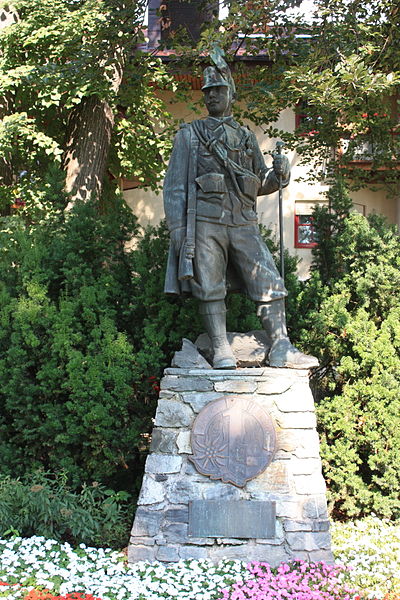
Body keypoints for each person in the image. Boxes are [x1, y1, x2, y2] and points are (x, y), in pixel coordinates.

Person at [164, 59, 318, 370]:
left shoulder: (247, 137)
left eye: (219, 90)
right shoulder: (190, 135)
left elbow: (259, 183)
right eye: (208, 92)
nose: (212, 96)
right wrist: (178, 230)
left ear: (232, 94)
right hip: (204, 221)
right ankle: (220, 348)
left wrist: (280, 174)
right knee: (208, 285)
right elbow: (174, 187)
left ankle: (281, 346)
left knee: (268, 279)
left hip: (243, 220)